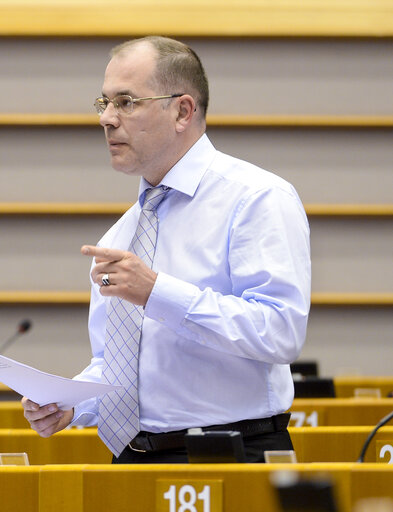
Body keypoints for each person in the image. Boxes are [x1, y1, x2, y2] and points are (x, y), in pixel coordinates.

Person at [22, 36, 311, 463]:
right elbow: (120, 362)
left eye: (125, 102)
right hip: (133, 458)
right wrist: (71, 401)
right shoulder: (121, 235)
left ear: (182, 111)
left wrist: (157, 292)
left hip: (230, 453)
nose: (106, 118)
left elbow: (280, 331)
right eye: (103, 102)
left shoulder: (256, 198)